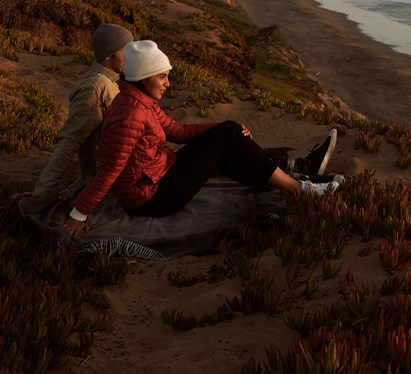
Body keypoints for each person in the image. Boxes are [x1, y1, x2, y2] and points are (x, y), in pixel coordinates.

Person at [65, 40, 341, 236]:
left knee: (227, 135)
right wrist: (79, 213)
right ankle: (298, 188)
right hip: (153, 199)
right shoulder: (130, 116)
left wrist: (224, 126)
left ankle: (295, 175)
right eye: (162, 77)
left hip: (161, 175)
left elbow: (177, 132)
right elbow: (109, 172)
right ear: (144, 77)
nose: (167, 84)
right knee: (227, 138)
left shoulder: (140, 102)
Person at [19, 24, 134, 215]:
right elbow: (70, 141)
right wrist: (43, 194)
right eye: (125, 51)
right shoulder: (95, 87)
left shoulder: (115, 82)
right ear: (108, 56)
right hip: (108, 179)